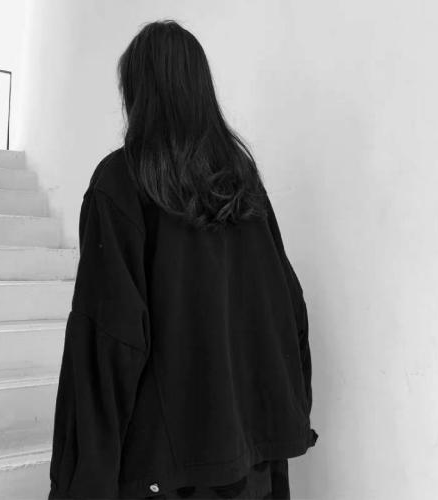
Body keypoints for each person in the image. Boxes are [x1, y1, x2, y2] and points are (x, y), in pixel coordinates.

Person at [48, 19, 317, 500]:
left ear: (138, 93)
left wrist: (84, 480)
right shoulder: (242, 183)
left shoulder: (122, 181)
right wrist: (285, 418)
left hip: (164, 475)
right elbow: (289, 310)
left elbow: (108, 339)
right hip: (249, 466)